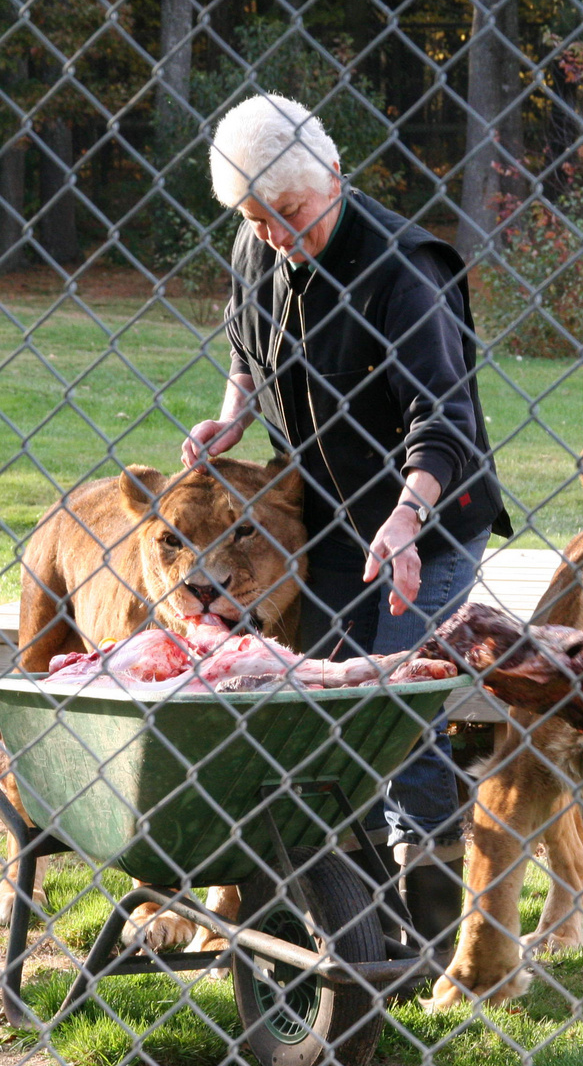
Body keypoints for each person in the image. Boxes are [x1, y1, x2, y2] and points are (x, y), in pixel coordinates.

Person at [180, 93, 513, 956]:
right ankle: (351, 909)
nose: (277, 236)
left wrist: (407, 518)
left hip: (429, 522)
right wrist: (234, 417)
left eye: (288, 215)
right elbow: (246, 346)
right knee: (320, 700)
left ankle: (433, 922)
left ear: (331, 176)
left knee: (400, 712)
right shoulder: (255, 242)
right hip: (330, 519)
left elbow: (443, 420)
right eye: (258, 221)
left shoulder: (407, 269)